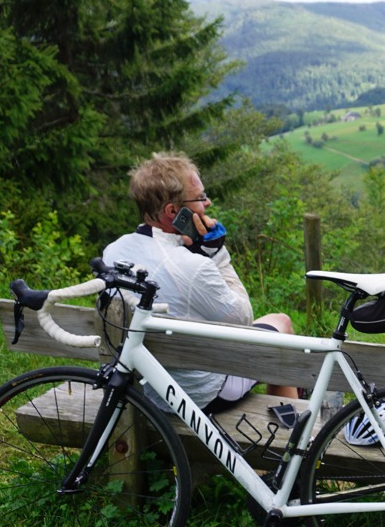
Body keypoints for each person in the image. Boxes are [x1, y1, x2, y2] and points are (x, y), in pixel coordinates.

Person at [103, 151, 298, 412]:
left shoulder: (113, 251)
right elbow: (243, 319)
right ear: (174, 211)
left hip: (141, 387)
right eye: (200, 198)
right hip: (197, 393)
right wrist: (216, 254)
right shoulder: (192, 266)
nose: (207, 203)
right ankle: (293, 432)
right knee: (281, 324)